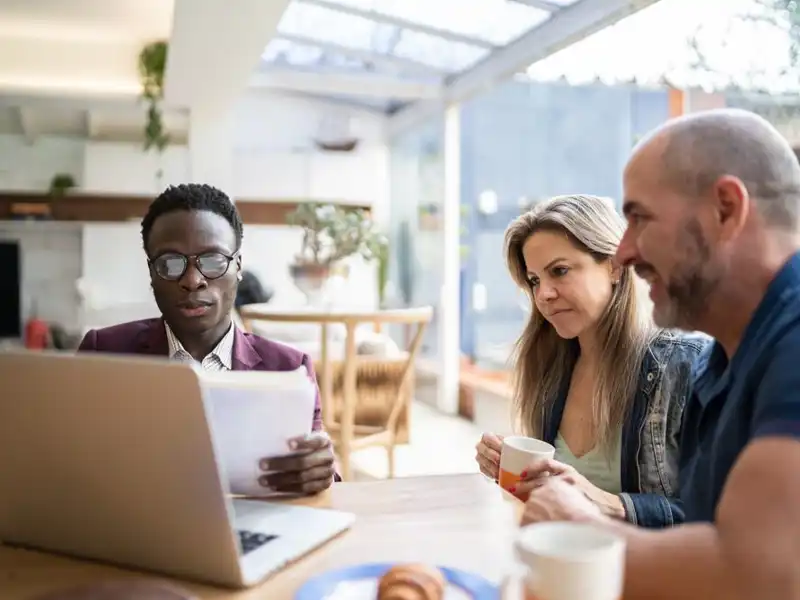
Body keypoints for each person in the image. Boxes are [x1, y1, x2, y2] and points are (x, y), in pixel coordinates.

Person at [520, 108, 800, 599]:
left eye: (639, 219)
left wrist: (582, 524)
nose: (624, 253)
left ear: (726, 210)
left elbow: (759, 576)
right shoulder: (724, 360)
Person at [77, 183, 337, 495]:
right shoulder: (103, 354)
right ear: (151, 273)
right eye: (170, 263)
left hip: (252, 529)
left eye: (213, 260)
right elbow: (67, 464)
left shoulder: (288, 369)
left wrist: (321, 470)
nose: (192, 280)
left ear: (237, 266)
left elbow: (322, 482)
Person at [475, 194, 708, 528]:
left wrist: (608, 504)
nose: (543, 294)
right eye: (535, 280)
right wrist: (511, 472)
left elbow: (720, 519)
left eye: (560, 271)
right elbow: (553, 502)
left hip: (649, 574)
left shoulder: (685, 364)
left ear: (614, 265)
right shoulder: (549, 366)